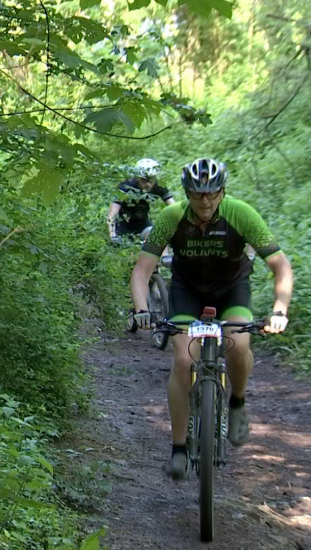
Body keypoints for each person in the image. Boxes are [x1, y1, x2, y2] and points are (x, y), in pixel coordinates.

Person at [129, 158, 293, 480]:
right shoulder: (171, 217)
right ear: (187, 193)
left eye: (212, 193)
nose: (205, 201)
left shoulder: (241, 213)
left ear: (222, 191)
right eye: (197, 194)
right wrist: (141, 309)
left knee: (238, 344)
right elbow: (142, 269)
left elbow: (281, 266)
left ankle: (237, 402)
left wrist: (279, 310)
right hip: (186, 291)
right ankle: (178, 449)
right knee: (183, 359)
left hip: (232, 290)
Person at [108, 158, 176, 243]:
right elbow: (113, 213)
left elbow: (174, 207)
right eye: (144, 180)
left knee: (156, 239)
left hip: (142, 222)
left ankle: (165, 256)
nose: (148, 183)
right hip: (122, 224)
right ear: (138, 178)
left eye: (151, 180)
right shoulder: (126, 186)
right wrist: (112, 235)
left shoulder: (158, 186)